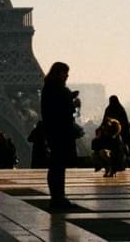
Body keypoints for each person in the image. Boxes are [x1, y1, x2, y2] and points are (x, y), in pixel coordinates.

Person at [41, 61, 80, 210]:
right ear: (59, 73)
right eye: (65, 72)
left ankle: (56, 197)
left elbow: (51, 108)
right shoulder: (58, 89)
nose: (67, 75)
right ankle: (59, 198)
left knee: (56, 166)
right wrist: (73, 102)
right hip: (61, 132)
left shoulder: (48, 88)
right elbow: (64, 109)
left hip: (53, 131)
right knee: (59, 166)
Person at [104, 95, 130, 163]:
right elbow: (125, 122)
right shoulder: (121, 109)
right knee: (121, 147)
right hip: (121, 131)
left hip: (111, 133)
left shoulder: (108, 109)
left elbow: (105, 120)